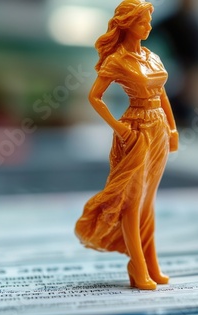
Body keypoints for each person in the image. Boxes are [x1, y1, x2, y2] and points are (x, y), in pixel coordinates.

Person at [75, 0, 179, 290]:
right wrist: (120, 129)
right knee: (132, 202)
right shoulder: (117, 60)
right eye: (142, 21)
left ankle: (151, 263)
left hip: (158, 128)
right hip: (136, 130)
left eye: (148, 20)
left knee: (149, 201)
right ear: (127, 24)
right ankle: (138, 266)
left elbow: (163, 95)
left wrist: (172, 128)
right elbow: (95, 97)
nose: (148, 26)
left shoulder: (152, 56)